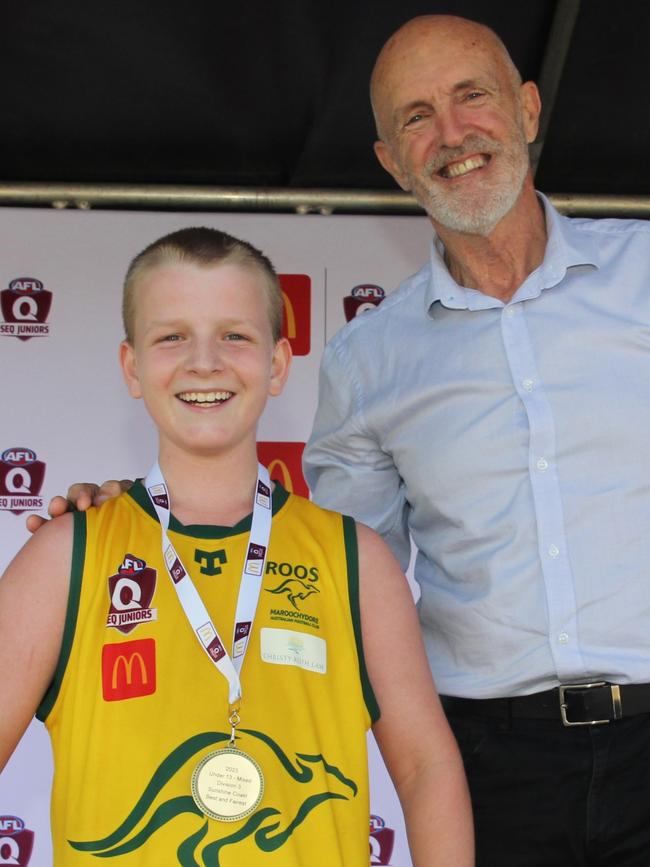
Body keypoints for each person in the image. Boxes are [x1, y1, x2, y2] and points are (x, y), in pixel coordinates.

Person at [26, 12, 650, 866]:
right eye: (416, 117)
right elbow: (337, 580)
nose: (453, 134)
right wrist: (119, 520)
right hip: (495, 763)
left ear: (530, 108)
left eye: (474, 97)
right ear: (391, 160)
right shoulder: (367, 359)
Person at [0, 227, 473, 866]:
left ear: (277, 364)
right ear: (131, 366)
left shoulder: (353, 559)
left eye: (235, 335)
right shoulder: (66, 555)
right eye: (171, 337)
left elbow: (425, 769)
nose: (204, 362)